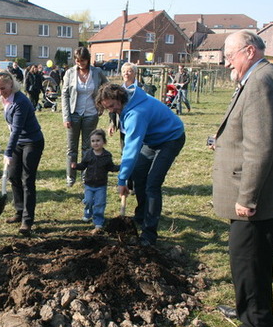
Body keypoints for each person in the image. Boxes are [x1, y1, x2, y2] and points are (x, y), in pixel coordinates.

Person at [212, 31, 273, 327]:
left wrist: (247, 197)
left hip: (257, 195)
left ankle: (258, 326)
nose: (226, 62)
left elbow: (261, 147)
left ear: (249, 51)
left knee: (251, 259)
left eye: (230, 55)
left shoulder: (260, 81)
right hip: (262, 190)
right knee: (244, 256)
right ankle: (244, 307)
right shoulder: (264, 75)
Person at [96, 83, 185, 246]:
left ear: (119, 98)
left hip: (170, 138)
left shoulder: (136, 113)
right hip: (152, 139)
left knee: (152, 184)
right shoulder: (127, 101)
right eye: (106, 107)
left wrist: (122, 180)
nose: (110, 110)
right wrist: (127, 175)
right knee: (138, 175)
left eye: (112, 106)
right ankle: (141, 217)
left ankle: (149, 234)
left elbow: (131, 149)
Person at [0, 69, 44, 236]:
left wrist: (7, 151)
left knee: (27, 179)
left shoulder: (21, 101)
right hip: (18, 142)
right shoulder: (4, 99)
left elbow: (17, 129)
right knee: (14, 176)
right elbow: (12, 127)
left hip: (32, 142)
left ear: (11, 84)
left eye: (3, 88)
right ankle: (19, 211)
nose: (1, 92)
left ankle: (27, 221)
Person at [62, 47, 108, 187]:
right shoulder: (70, 73)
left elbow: (106, 88)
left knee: (88, 148)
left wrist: (101, 106)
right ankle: (71, 177)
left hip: (91, 114)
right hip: (74, 114)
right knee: (72, 148)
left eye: (82, 60)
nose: (79, 63)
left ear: (88, 60)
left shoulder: (97, 72)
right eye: (77, 60)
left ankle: (85, 176)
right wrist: (66, 116)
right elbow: (64, 94)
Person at [71, 129, 119, 234]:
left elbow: (110, 167)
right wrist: (76, 166)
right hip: (89, 184)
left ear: (104, 142)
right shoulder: (88, 154)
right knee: (88, 201)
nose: (95, 143)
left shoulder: (107, 156)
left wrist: (119, 167)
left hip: (101, 185)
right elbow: (83, 165)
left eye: (98, 140)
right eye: (93, 141)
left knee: (100, 203)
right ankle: (88, 213)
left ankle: (98, 220)